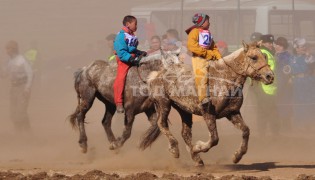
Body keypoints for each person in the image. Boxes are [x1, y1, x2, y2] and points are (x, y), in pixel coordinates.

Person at [185, 13, 222, 107]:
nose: (209, 23)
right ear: (201, 23)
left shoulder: (208, 33)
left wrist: (219, 58)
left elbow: (214, 47)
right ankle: (203, 98)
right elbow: (192, 46)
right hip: (199, 59)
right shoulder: (194, 32)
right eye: (207, 21)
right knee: (201, 74)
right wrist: (207, 53)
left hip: (209, 58)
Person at [113, 15, 147, 113]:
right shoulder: (121, 35)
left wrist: (139, 52)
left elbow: (132, 48)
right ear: (128, 24)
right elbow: (121, 52)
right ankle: (118, 102)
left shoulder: (132, 35)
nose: (136, 26)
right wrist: (130, 59)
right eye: (135, 24)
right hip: (123, 60)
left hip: (132, 58)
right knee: (121, 78)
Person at [2, 40, 33, 132]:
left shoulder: (22, 59)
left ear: (14, 49)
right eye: (6, 49)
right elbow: (4, 74)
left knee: (21, 111)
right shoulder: (9, 61)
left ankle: (27, 132)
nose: (6, 51)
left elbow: (30, 74)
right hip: (13, 88)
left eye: (8, 48)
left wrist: (27, 88)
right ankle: (18, 133)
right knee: (13, 112)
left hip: (22, 87)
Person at [256, 34, 279, 136]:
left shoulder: (268, 53)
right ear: (263, 43)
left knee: (266, 112)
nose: (271, 44)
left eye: (271, 43)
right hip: (265, 89)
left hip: (269, 88)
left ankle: (264, 133)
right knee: (269, 113)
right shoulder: (264, 53)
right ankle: (273, 134)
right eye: (268, 43)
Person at [290, 38, 315, 129]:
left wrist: (308, 55)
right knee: (297, 103)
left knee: (308, 103)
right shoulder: (293, 58)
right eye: (299, 47)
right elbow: (289, 70)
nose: (301, 49)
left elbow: (312, 65)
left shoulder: (310, 57)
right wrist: (291, 78)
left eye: (303, 47)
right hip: (297, 83)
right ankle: (299, 125)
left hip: (308, 82)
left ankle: (310, 125)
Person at [274, 37, 293, 132]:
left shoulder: (287, 56)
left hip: (284, 84)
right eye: (277, 44)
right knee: (277, 104)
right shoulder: (274, 54)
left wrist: (282, 84)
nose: (278, 46)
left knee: (285, 104)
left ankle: (286, 125)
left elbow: (287, 71)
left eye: (280, 45)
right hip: (276, 83)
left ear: (284, 47)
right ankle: (279, 124)